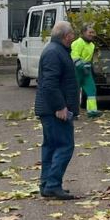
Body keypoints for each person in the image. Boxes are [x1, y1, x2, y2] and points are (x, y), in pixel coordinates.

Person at [34, 20, 80, 200]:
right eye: (72, 34)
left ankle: (47, 185)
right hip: (54, 111)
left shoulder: (55, 50)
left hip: (49, 109)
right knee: (64, 146)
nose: (74, 37)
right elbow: (50, 83)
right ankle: (53, 185)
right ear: (66, 36)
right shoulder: (55, 53)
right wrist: (60, 107)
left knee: (51, 147)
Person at [71, 24, 102, 118]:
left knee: (91, 89)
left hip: (86, 71)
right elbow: (74, 56)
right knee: (74, 91)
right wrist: (82, 67)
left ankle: (92, 111)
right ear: (83, 33)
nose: (92, 34)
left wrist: (90, 69)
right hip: (76, 71)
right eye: (90, 32)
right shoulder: (78, 43)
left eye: (93, 32)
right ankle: (72, 112)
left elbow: (89, 59)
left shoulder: (92, 45)